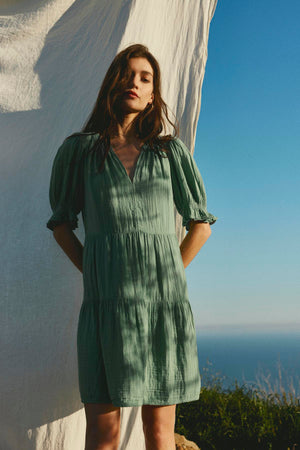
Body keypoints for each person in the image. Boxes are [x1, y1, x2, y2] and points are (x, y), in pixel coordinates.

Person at [46, 43, 217, 450]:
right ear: (112, 83)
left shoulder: (169, 152)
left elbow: (200, 226)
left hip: (163, 308)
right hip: (105, 308)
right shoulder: (80, 151)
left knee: (158, 435)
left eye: (146, 78)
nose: (135, 83)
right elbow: (62, 225)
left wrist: (170, 271)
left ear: (153, 94)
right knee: (102, 436)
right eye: (128, 74)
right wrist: (96, 270)